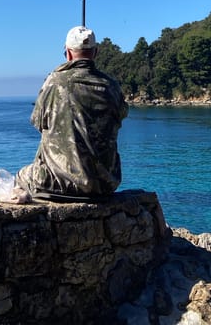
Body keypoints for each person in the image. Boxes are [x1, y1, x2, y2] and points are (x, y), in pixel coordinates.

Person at [16, 25, 128, 199]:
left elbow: (38, 122)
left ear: (68, 53)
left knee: (21, 176)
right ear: (95, 52)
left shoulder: (55, 82)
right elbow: (121, 115)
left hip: (58, 183)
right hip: (105, 183)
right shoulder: (112, 86)